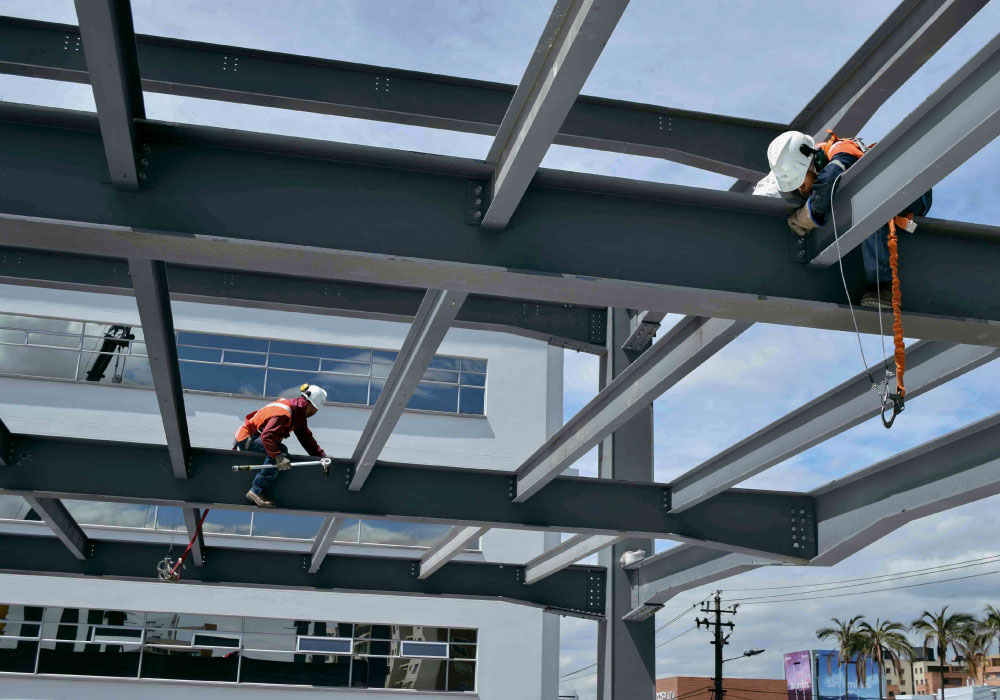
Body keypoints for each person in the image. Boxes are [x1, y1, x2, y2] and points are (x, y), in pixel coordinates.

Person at [759, 130, 932, 308]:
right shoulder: (797, 163)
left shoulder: (841, 150)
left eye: (801, 183)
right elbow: (767, 188)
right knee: (862, 203)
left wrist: (808, 216)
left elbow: (828, 180)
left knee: (866, 205)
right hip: (878, 198)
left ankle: (884, 286)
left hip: (913, 193)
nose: (801, 189)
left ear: (811, 163)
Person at [234, 384, 328, 508]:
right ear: (309, 404)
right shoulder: (284, 413)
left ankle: (259, 487)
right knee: (281, 450)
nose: (315, 412)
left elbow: (306, 439)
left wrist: (321, 456)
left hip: (256, 438)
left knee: (279, 450)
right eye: (315, 409)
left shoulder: (297, 415)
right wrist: (278, 456)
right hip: (247, 439)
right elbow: (267, 437)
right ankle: (256, 491)